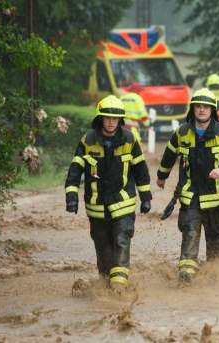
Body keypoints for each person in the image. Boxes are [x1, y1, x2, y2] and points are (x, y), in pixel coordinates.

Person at [64, 95, 152, 290]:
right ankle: (105, 283)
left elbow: (140, 169)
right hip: (97, 206)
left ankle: (119, 287)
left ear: (120, 120)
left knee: (122, 239)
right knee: (103, 247)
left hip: (124, 202)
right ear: (100, 119)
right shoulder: (88, 141)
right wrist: (71, 196)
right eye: (107, 118)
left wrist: (146, 196)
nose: (111, 122)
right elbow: (75, 169)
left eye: (115, 118)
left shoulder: (130, 139)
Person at [156, 88, 219, 284]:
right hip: (190, 198)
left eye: (206, 107)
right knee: (189, 240)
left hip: (215, 199)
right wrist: (162, 176)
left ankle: (215, 283)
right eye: (198, 107)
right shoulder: (182, 132)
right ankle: (186, 283)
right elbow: (169, 155)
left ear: (212, 110)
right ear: (193, 109)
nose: (202, 110)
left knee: (216, 245)